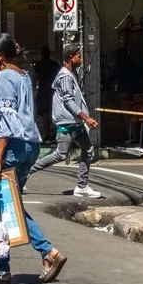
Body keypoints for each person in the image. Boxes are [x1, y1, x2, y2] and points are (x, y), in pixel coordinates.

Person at [0, 32, 68, 284]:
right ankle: (46, 253)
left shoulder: (4, 77)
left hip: (12, 148)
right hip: (29, 145)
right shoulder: (23, 75)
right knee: (11, 205)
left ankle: (4, 269)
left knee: (1, 208)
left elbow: (7, 119)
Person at [41, 44, 102, 199]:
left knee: (87, 149)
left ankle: (82, 186)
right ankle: (27, 172)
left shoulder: (70, 74)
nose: (81, 59)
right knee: (60, 154)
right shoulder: (65, 77)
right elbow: (68, 101)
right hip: (67, 123)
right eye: (79, 56)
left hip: (75, 122)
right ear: (71, 58)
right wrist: (86, 117)